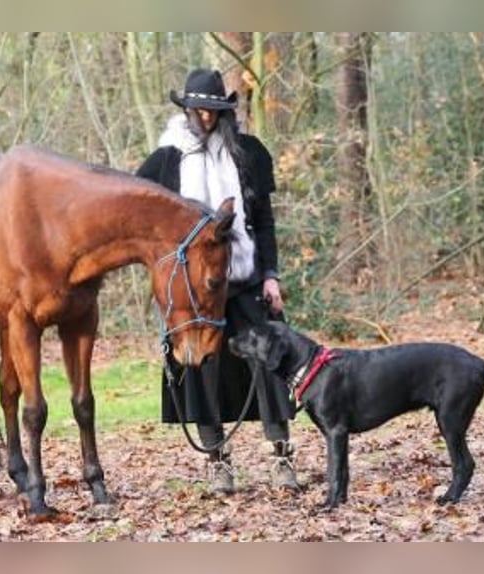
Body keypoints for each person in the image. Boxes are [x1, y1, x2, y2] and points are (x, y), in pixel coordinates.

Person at [136, 68, 297, 494]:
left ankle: (282, 455)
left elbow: (262, 222)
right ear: (186, 110)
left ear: (223, 111)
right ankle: (217, 460)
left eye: (214, 112)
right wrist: (165, 286)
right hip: (191, 292)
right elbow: (144, 232)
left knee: (267, 360)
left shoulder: (247, 153)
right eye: (199, 111)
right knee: (200, 370)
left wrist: (270, 276)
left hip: (242, 278)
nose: (206, 119)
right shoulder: (164, 162)